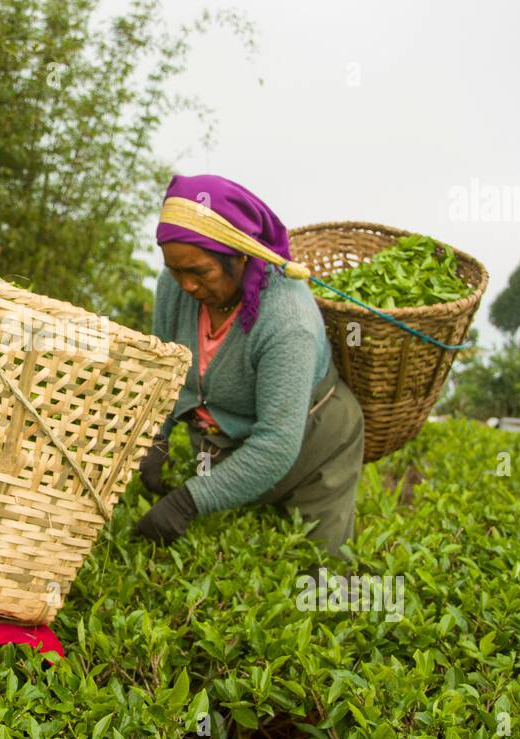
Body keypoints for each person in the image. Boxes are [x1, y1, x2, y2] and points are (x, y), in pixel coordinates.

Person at [133, 174, 365, 560]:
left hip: (313, 447)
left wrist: (187, 502)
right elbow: (165, 371)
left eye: (199, 273)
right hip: (226, 443)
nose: (186, 285)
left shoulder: (287, 321)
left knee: (318, 573)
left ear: (239, 256)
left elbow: (275, 444)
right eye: (176, 271)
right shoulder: (174, 288)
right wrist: (155, 437)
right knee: (229, 554)